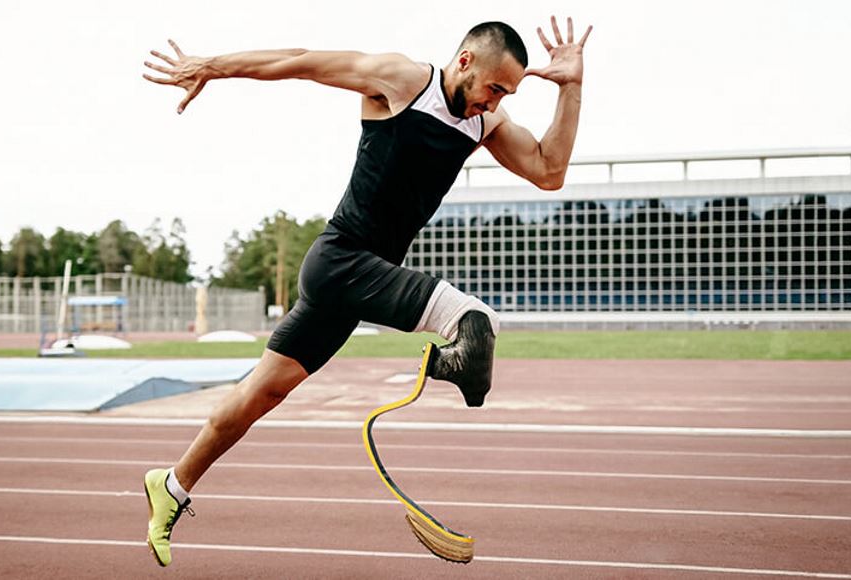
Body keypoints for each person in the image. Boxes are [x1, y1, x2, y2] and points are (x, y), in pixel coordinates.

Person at [141, 16, 591, 566]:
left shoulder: (485, 123)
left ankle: (173, 483)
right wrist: (210, 66)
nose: (495, 102)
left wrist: (571, 87)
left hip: (357, 280)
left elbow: (550, 171)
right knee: (472, 319)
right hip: (340, 261)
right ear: (466, 61)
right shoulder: (401, 80)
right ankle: (447, 362)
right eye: (494, 88)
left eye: (507, 94)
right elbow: (299, 60)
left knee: (262, 393)